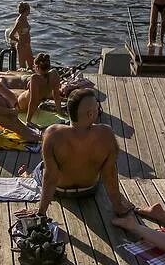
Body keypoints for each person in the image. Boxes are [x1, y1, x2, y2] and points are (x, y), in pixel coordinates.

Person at [21, 88, 134, 217]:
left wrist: (41, 212)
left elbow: (50, 177)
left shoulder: (52, 134)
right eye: (97, 107)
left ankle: (27, 176)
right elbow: (110, 174)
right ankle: (29, 175)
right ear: (90, 114)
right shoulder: (106, 134)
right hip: (89, 189)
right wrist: (118, 206)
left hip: (60, 190)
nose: (99, 109)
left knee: (41, 167)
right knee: (104, 168)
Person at [15, 53, 63, 123]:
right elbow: (56, 96)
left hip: (20, 106)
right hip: (24, 98)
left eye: (34, 66)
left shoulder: (35, 78)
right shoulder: (54, 74)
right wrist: (60, 112)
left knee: (3, 89)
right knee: (20, 91)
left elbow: (33, 101)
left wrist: (28, 121)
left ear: (37, 67)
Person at [7, 2, 35, 71]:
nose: (30, 12)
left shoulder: (25, 18)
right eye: (29, 10)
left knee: (31, 65)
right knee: (23, 67)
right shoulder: (19, 21)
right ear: (26, 10)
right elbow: (11, 35)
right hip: (22, 46)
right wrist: (18, 41)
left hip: (27, 45)